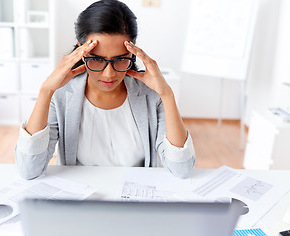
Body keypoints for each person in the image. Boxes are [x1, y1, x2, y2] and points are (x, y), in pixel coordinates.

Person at [15, 0, 195, 180]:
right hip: (81, 200)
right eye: (97, 59)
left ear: (132, 51)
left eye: (120, 59)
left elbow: (181, 170)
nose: (109, 74)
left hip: (135, 198)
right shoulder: (62, 95)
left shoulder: (151, 95)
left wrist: (167, 95)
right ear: (81, 50)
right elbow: (29, 170)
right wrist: (46, 91)